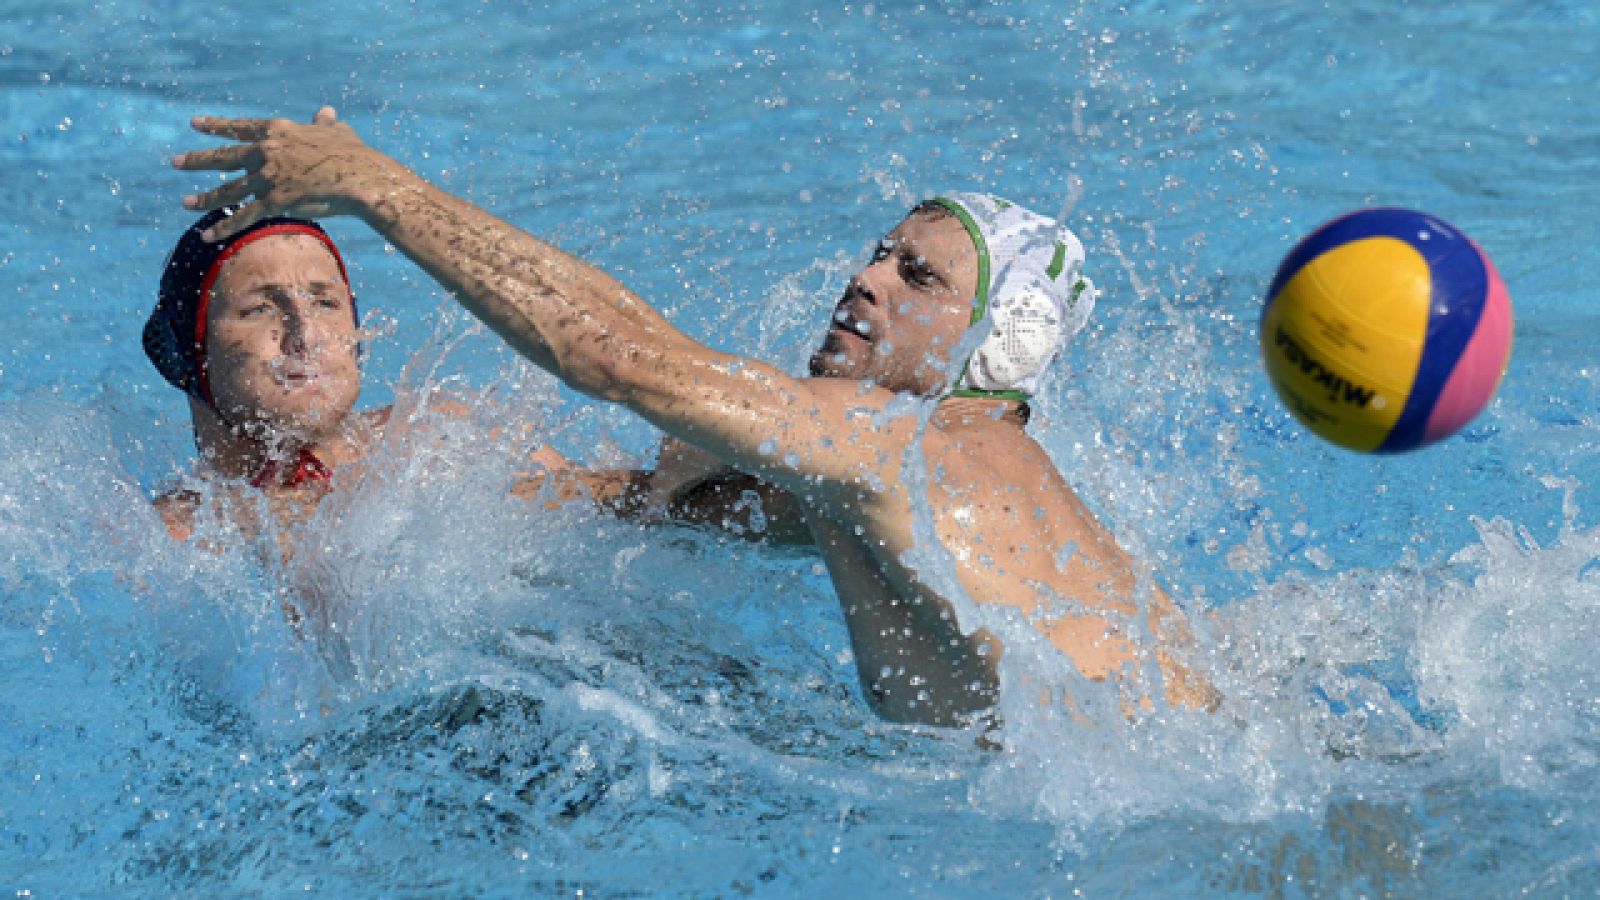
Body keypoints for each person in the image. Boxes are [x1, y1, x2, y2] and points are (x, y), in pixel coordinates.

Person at [171, 107, 1213, 726]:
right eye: (876, 251)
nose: (862, 278)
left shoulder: (906, 444)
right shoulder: (930, 480)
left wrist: (377, 186)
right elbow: (654, 467)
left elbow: (614, 357)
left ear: (1002, 344)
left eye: (916, 278)